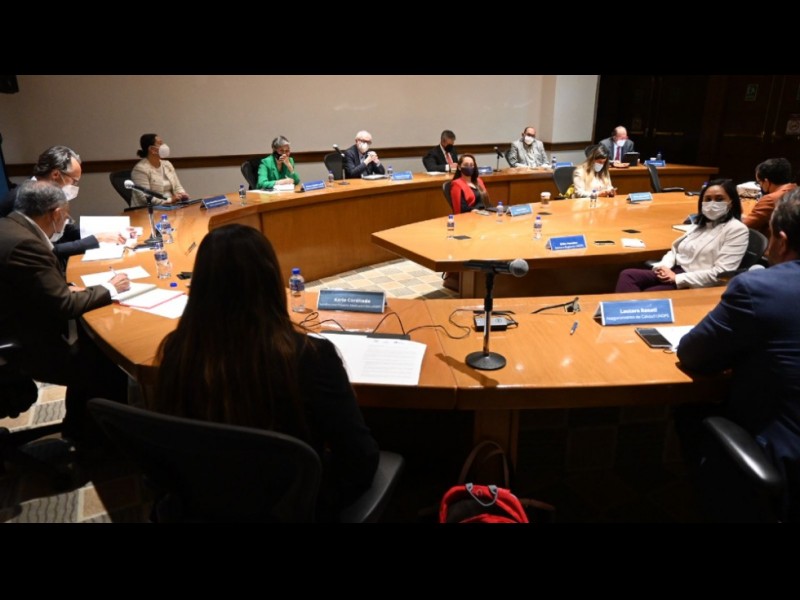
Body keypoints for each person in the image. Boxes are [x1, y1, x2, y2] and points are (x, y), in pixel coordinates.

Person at [150, 223, 379, 520]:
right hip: (290, 508)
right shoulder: (311, 357)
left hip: (203, 505)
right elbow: (360, 459)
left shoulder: (178, 350)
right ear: (271, 280)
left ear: (201, 284)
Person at [675, 189, 800, 521]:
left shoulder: (760, 289)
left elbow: (694, 356)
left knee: (690, 411)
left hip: (784, 460)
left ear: (782, 240)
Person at [0, 180, 130, 440]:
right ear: (56, 213)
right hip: (25, 344)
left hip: (11, 321)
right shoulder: (27, 244)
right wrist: (110, 287)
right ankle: (98, 441)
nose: (67, 220)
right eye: (67, 214)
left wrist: (65, 287)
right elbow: (65, 307)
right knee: (109, 358)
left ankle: (78, 426)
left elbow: (27, 285)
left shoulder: (8, 226)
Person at [0, 146, 125, 268]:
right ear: (56, 174)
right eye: (74, 181)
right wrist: (95, 239)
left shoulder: (46, 192)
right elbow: (45, 249)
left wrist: (105, 234)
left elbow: (67, 230)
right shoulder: (25, 198)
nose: (75, 186)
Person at [615, 179, 749, 292]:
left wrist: (677, 278)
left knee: (649, 294)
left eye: (719, 199)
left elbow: (721, 273)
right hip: (674, 270)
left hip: (695, 280)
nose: (712, 204)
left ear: (731, 202)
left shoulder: (737, 230)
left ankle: (632, 312)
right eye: (708, 199)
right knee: (628, 275)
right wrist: (664, 266)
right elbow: (675, 250)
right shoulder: (701, 224)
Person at [130, 133, 189, 207]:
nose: (164, 146)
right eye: (160, 143)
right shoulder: (140, 169)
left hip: (172, 206)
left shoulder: (167, 164)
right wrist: (169, 200)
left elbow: (177, 186)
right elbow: (145, 197)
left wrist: (182, 194)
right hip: (148, 209)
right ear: (152, 149)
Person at [743, 157, 796, 237]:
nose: (760, 185)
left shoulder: (770, 200)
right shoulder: (796, 190)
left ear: (766, 182)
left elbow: (745, 227)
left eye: (759, 182)